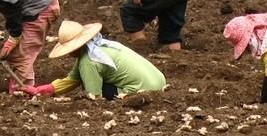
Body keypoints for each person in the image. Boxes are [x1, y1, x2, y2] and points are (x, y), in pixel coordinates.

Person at [21, 21, 165, 100]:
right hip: (159, 82)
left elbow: (94, 96)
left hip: (143, 91)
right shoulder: (101, 47)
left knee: (89, 85)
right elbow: (72, 80)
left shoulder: (88, 61)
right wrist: (41, 90)